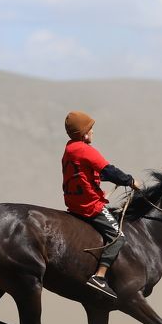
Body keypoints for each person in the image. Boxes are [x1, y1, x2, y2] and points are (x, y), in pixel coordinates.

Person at [61, 111, 142, 299]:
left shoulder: (69, 149)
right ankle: (99, 276)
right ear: (84, 133)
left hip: (74, 203)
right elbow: (109, 170)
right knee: (118, 236)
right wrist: (130, 181)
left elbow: (88, 173)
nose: (93, 132)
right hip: (89, 205)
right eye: (91, 129)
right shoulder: (85, 150)